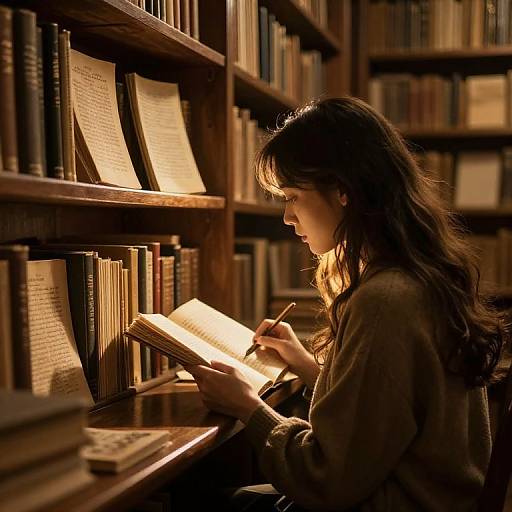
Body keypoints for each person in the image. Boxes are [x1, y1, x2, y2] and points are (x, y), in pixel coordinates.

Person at [184, 96, 508, 511]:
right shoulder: (420, 276)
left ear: (342, 192)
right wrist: (307, 367)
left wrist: (247, 406)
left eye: (292, 196)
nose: (287, 217)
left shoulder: (385, 299)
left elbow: (328, 478)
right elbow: (385, 419)